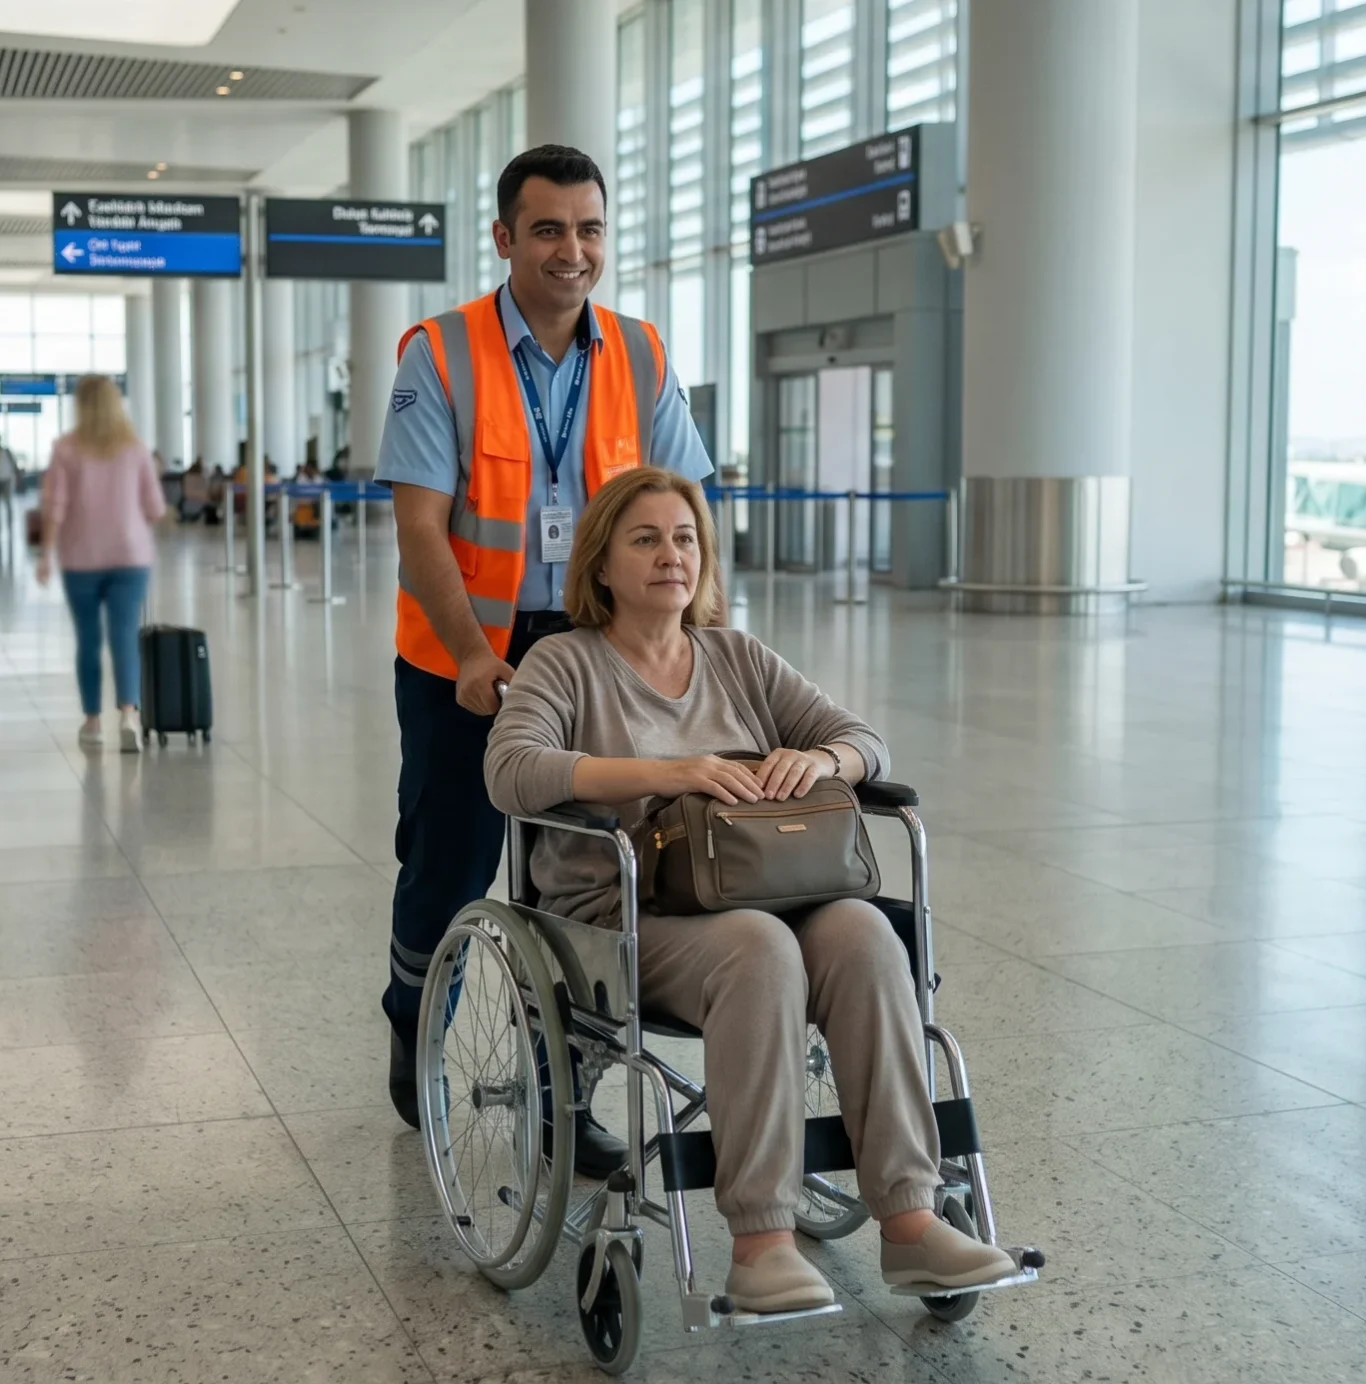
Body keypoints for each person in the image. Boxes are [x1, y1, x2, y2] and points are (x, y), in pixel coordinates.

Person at [484, 467, 1019, 1314]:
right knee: (759, 951)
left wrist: (823, 759)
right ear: (602, 564)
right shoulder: (566, 663)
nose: (672, 556)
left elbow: (863, 740)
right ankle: (762, 1240)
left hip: (771, 891)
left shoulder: (736, 657)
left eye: (686, 537)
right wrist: (666, 773)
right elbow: (510, 773)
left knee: (867, 935)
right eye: (647, 539)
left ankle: (913, 1221)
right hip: (627, 917)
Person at [376, 143, 715, 1179]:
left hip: (595, 646)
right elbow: (422, 529)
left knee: (578, 880)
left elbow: (687, 512)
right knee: (453, 858)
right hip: (462, 655)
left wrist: (700, 641)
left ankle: (565, 1094)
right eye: (549, 230)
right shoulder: (440, 352)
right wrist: (477, 656)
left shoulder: (643, 353)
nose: (574, 252)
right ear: (504, 239)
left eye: (591, 230)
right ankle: (413, 1017)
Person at [35, 375, 165, 752]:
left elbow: (54, 506)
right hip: (130, 555)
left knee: (88, 640)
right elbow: (155, 508)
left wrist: (45, 554)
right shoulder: (136, 448)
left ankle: (92, 722)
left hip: (80, 558)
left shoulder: (65, 448)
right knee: (124, 635)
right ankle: (128, 715)